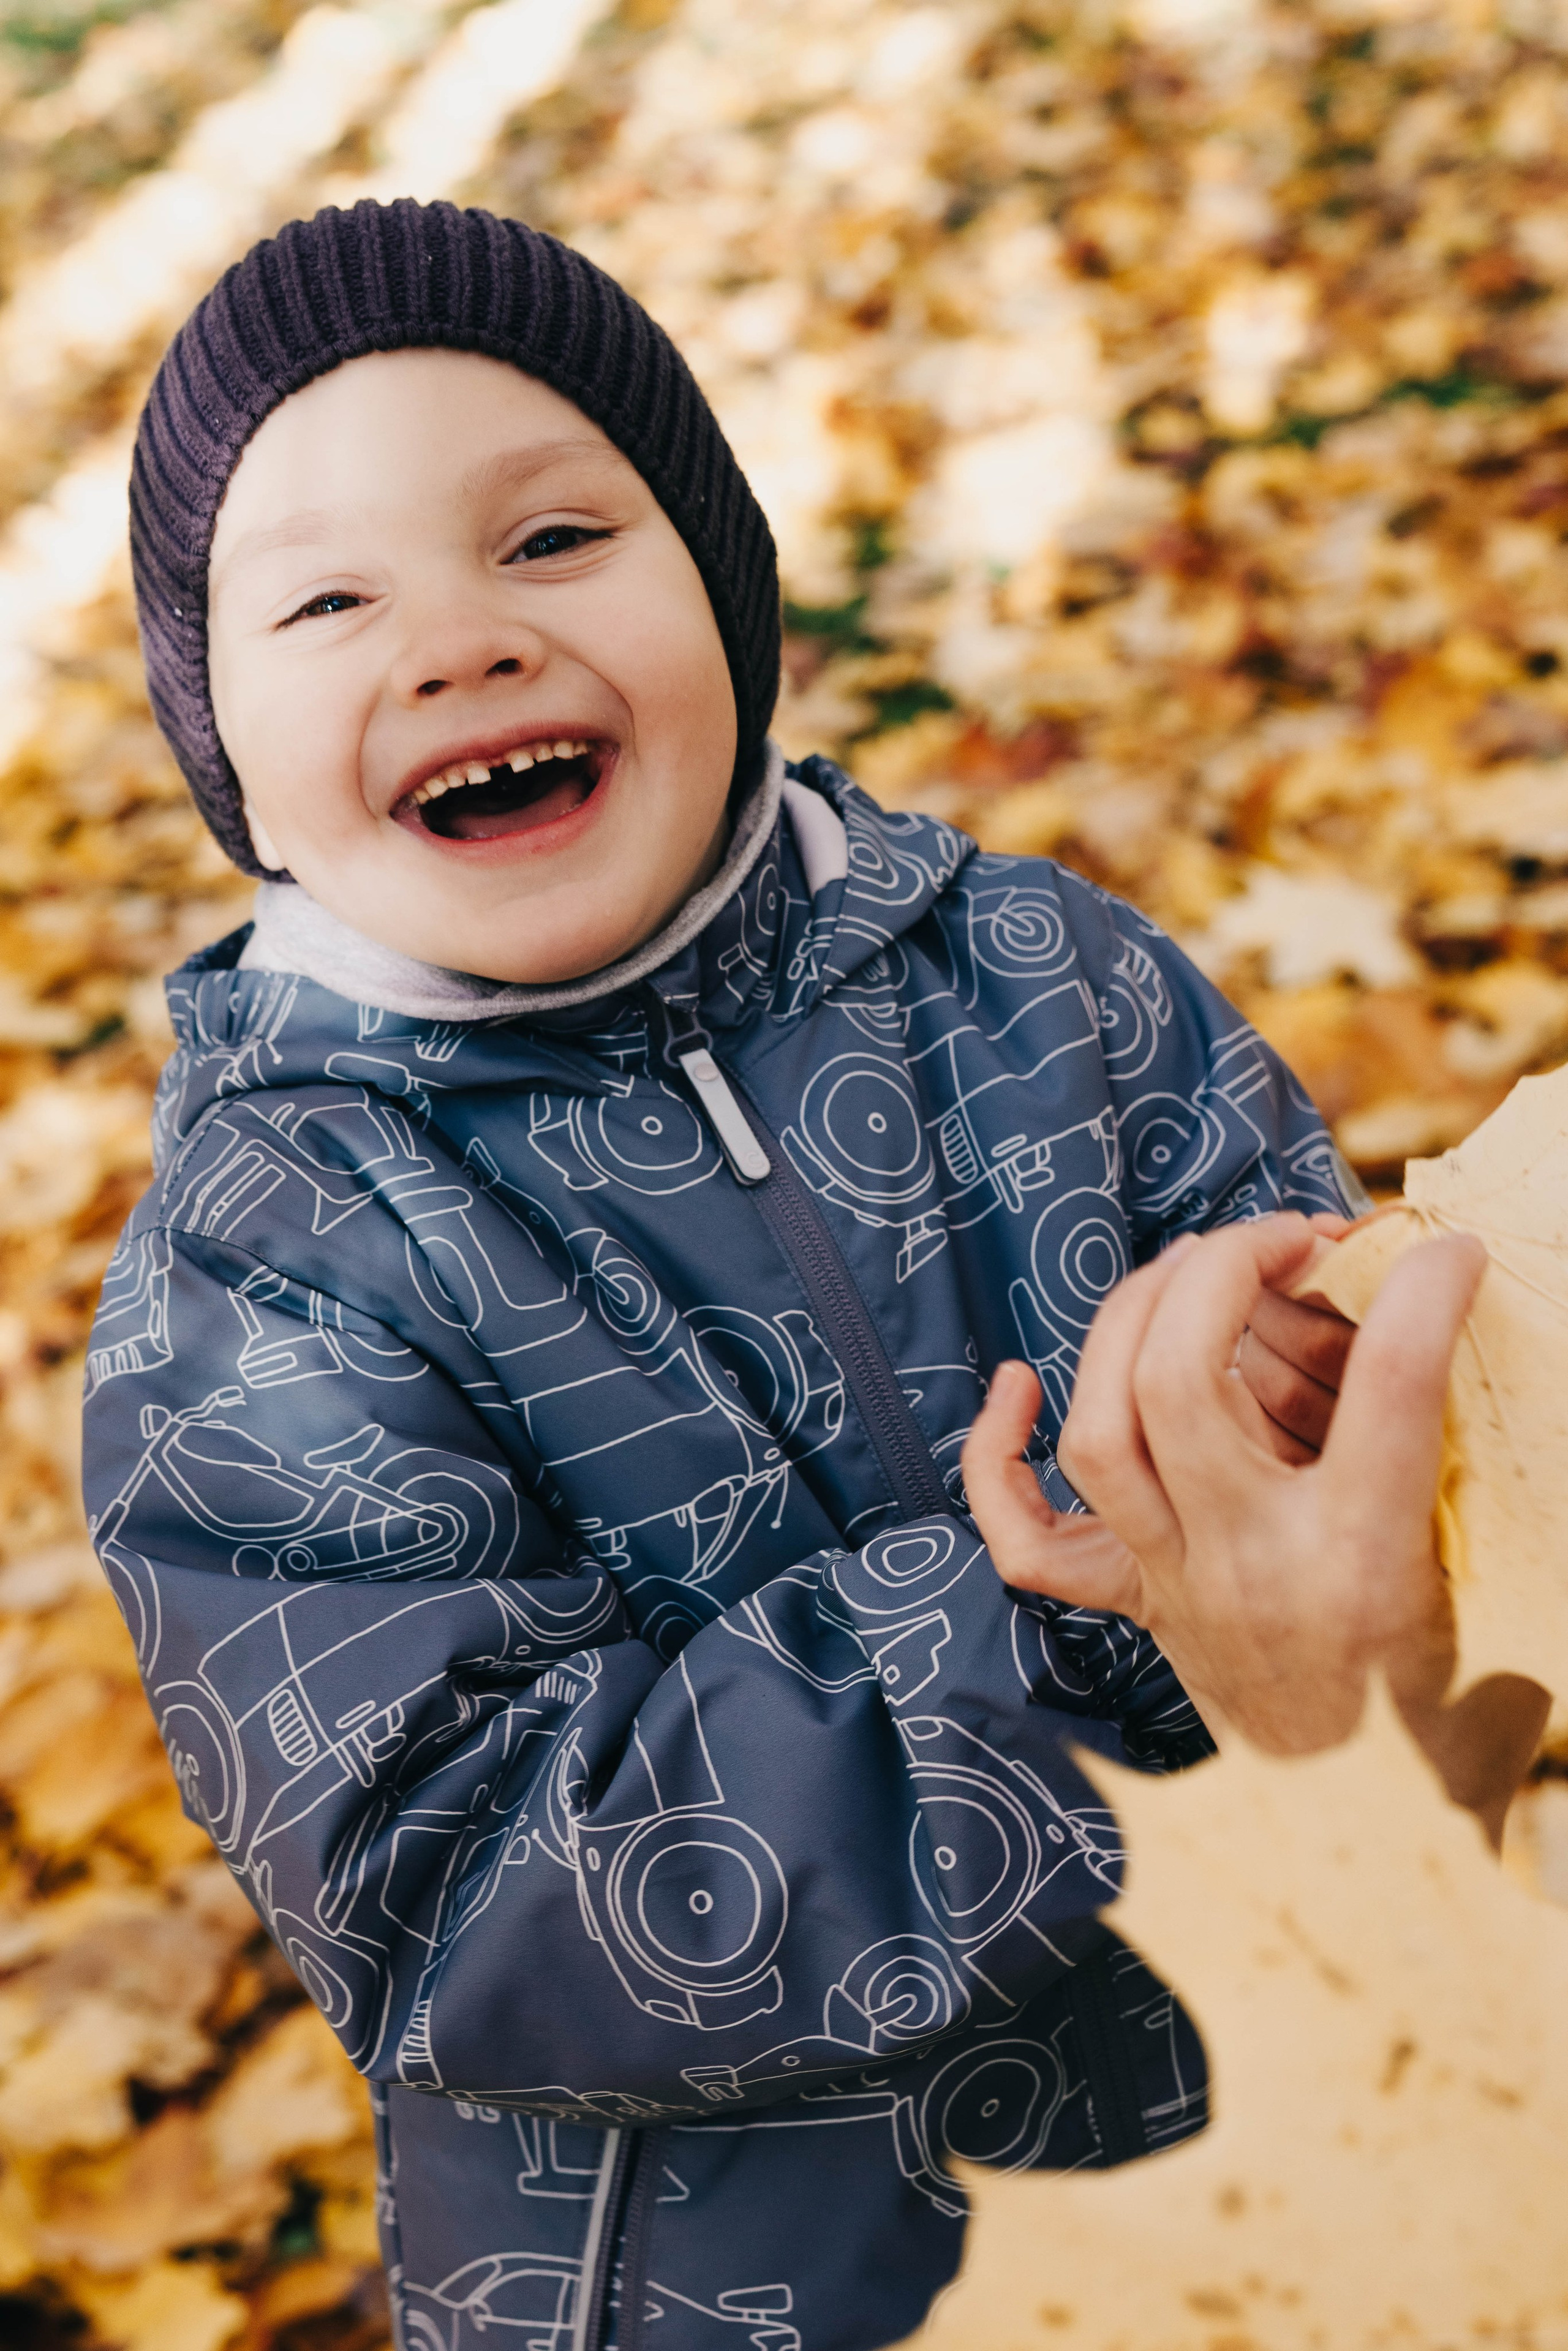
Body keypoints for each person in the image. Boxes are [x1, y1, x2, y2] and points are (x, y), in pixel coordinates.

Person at [83, 198, 1543, 2351]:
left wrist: (1326, 1416)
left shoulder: (1054, 981)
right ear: (233, 761)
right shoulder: (268, 1272)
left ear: (725, 585)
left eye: (555, 540)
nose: (463, 640)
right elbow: (454, 1899)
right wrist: (1054, 1620)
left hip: (1335, 2142)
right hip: (750, 2292)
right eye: (326, 600)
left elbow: (1369, 1448)